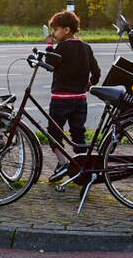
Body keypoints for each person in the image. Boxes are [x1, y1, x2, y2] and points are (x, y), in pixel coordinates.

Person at [43, 10, 101, 183]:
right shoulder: (86, 47)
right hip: (80, 99)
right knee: (78, 133)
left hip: (61, 99)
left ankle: (62, 164)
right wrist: (88, 85)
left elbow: (49, 64)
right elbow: (96, 73)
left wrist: (48, 44)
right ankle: (84, 167)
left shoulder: (62, 47)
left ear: (67, 30)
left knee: (54, 132)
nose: (54, 33)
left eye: (56, 30)